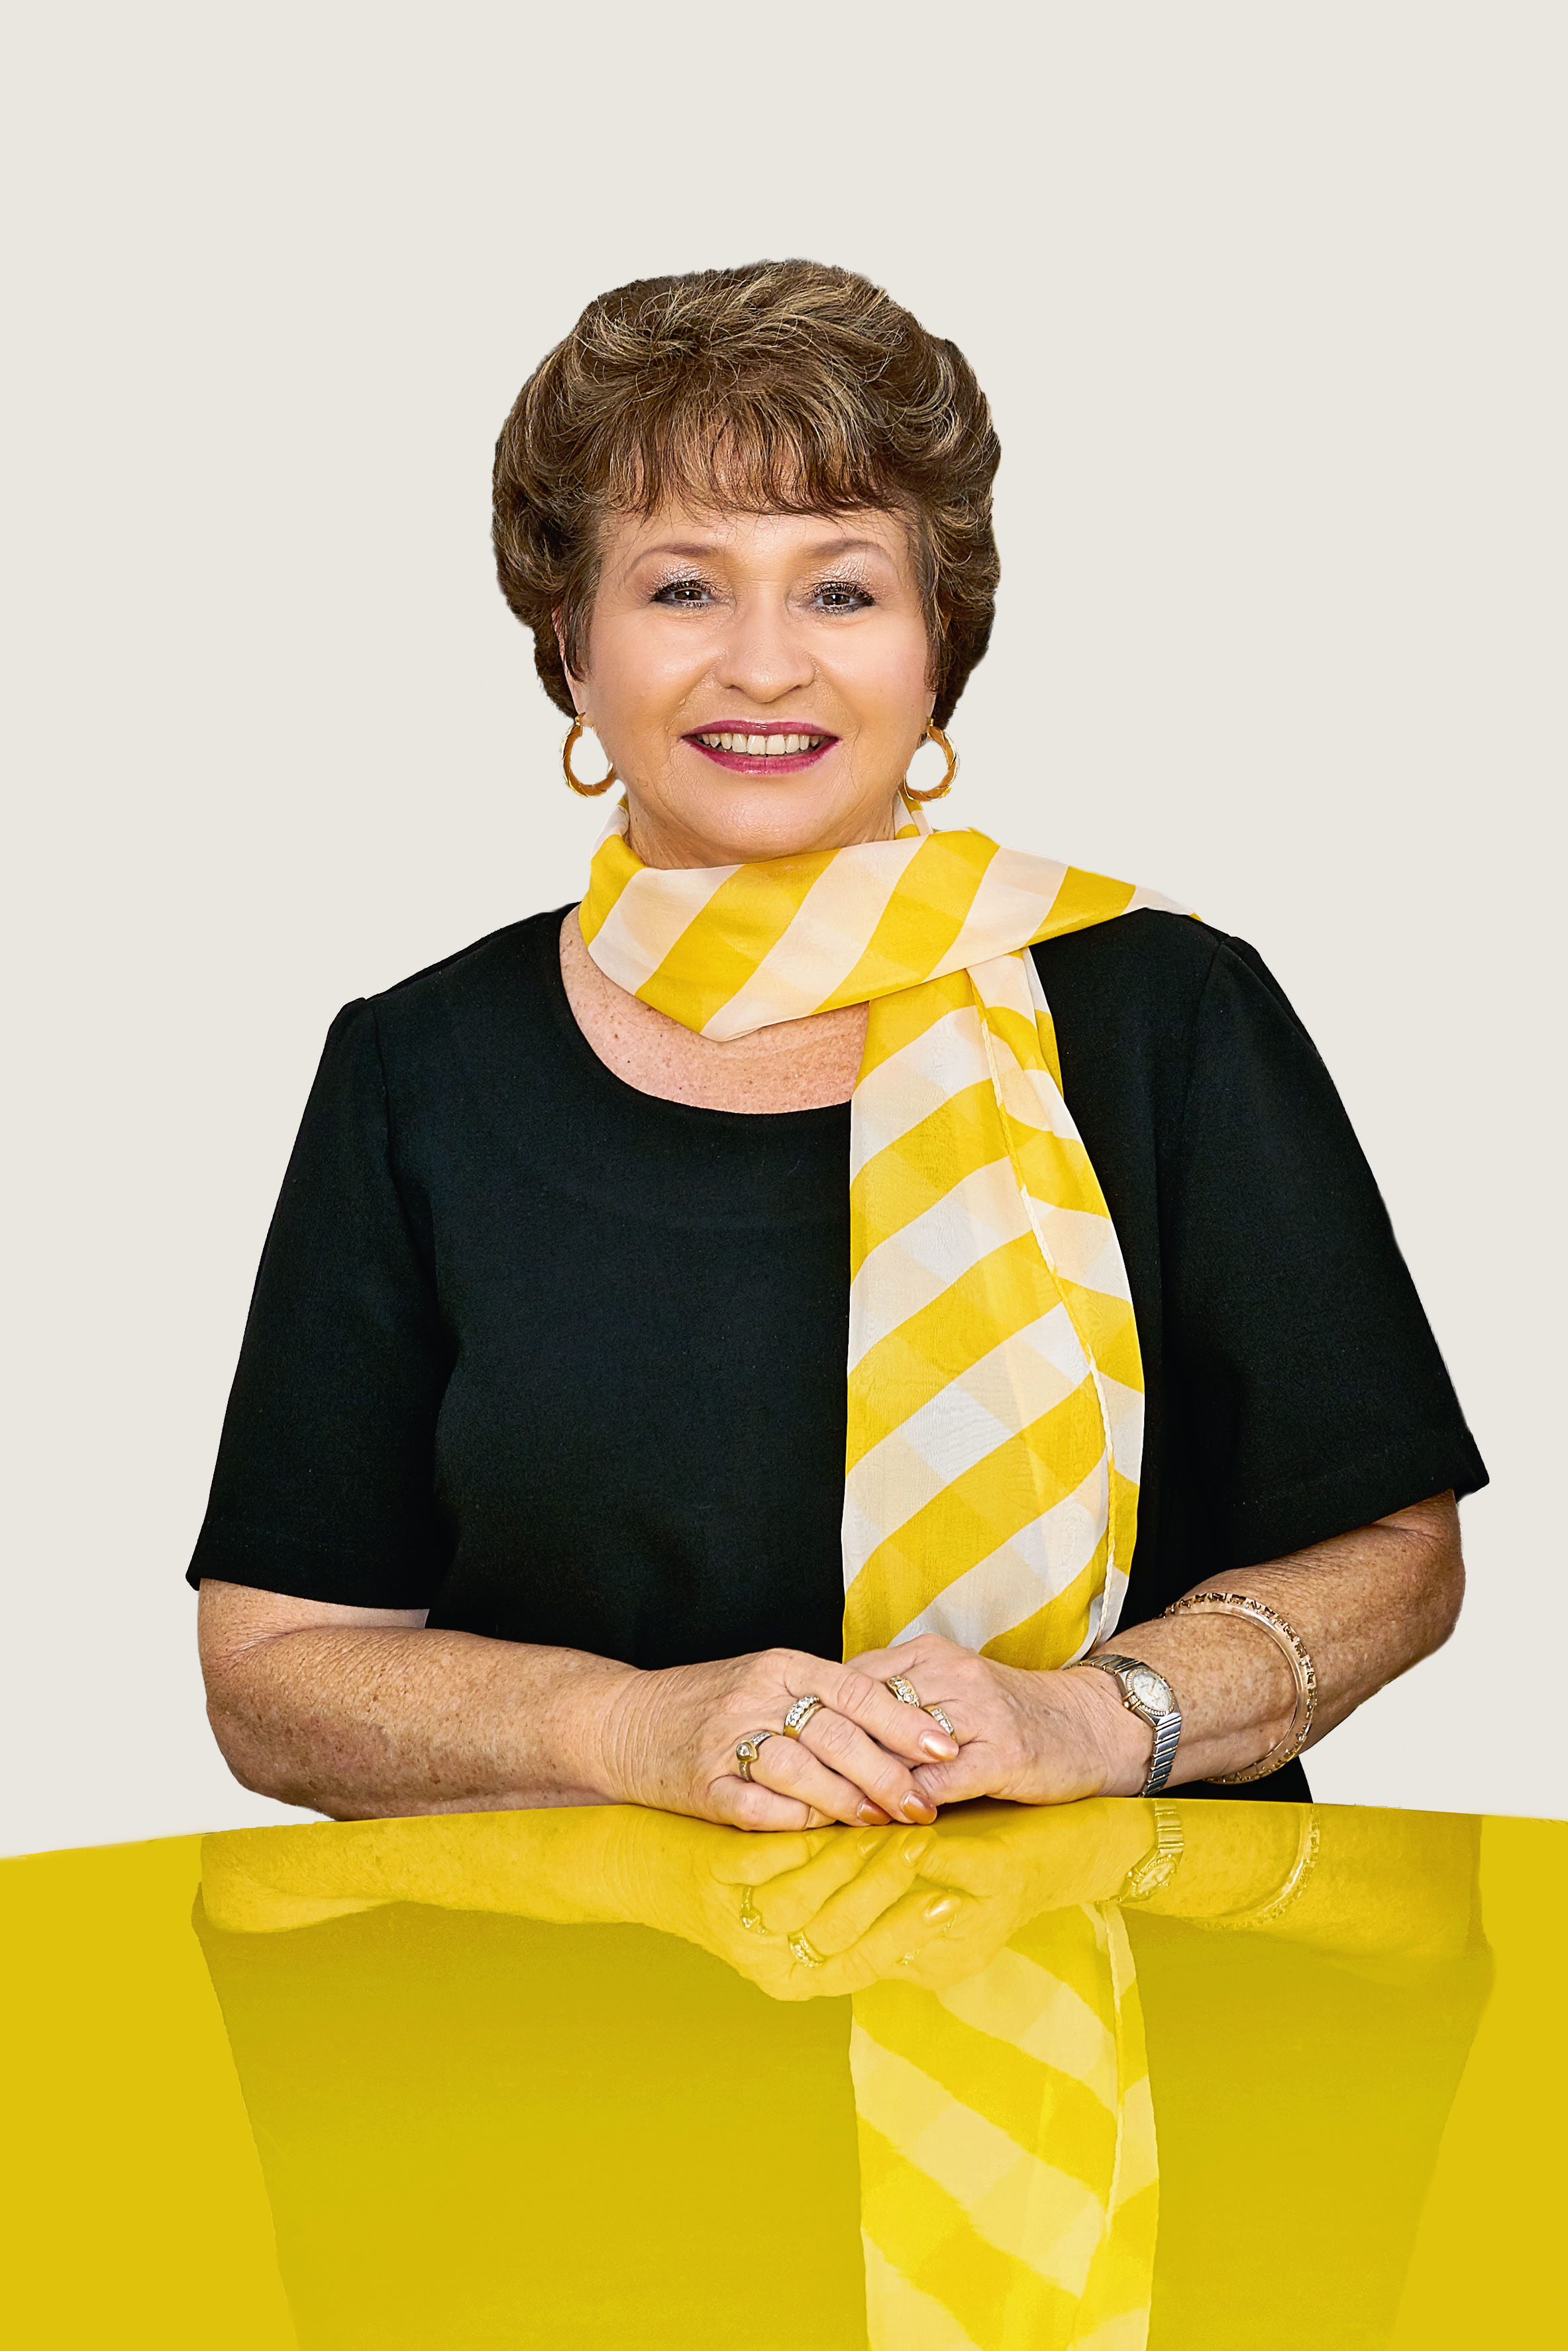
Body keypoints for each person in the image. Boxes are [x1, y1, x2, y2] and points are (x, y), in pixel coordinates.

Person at [191, 260, 1485, 1832]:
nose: (762, 663)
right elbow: (274, 1669)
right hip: (583, 1981)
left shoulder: (1169, 1011)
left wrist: (1093, 1713)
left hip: (1143, 1968)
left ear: (935, 648)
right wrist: (630, 1726)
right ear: (572, 647)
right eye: (682, 588)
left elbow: (1389, 1557)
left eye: (841, 590)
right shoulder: (414, 1071)